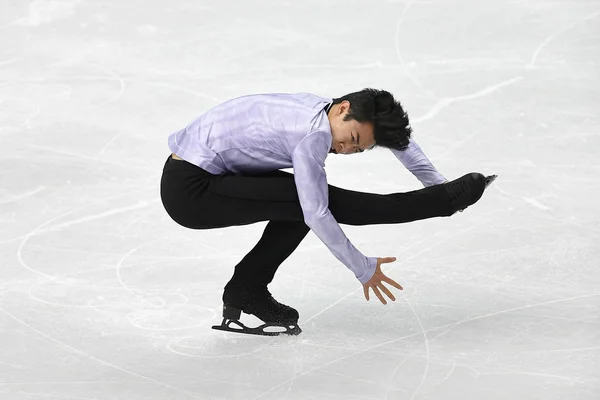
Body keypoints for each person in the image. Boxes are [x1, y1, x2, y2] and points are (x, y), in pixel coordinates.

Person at [160, 88, 494, 336]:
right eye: (351, 139)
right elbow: (317, 214)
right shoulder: (312, 136)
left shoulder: (323, 109)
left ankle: (245, 288)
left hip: (205, 174)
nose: (347, 149)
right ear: (344, 109)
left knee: (302, 200)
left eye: (358, 149)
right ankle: (440, 203)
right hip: (191, 192)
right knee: (312, 202)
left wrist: (437, 183)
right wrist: (361, 267)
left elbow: (395, 138)